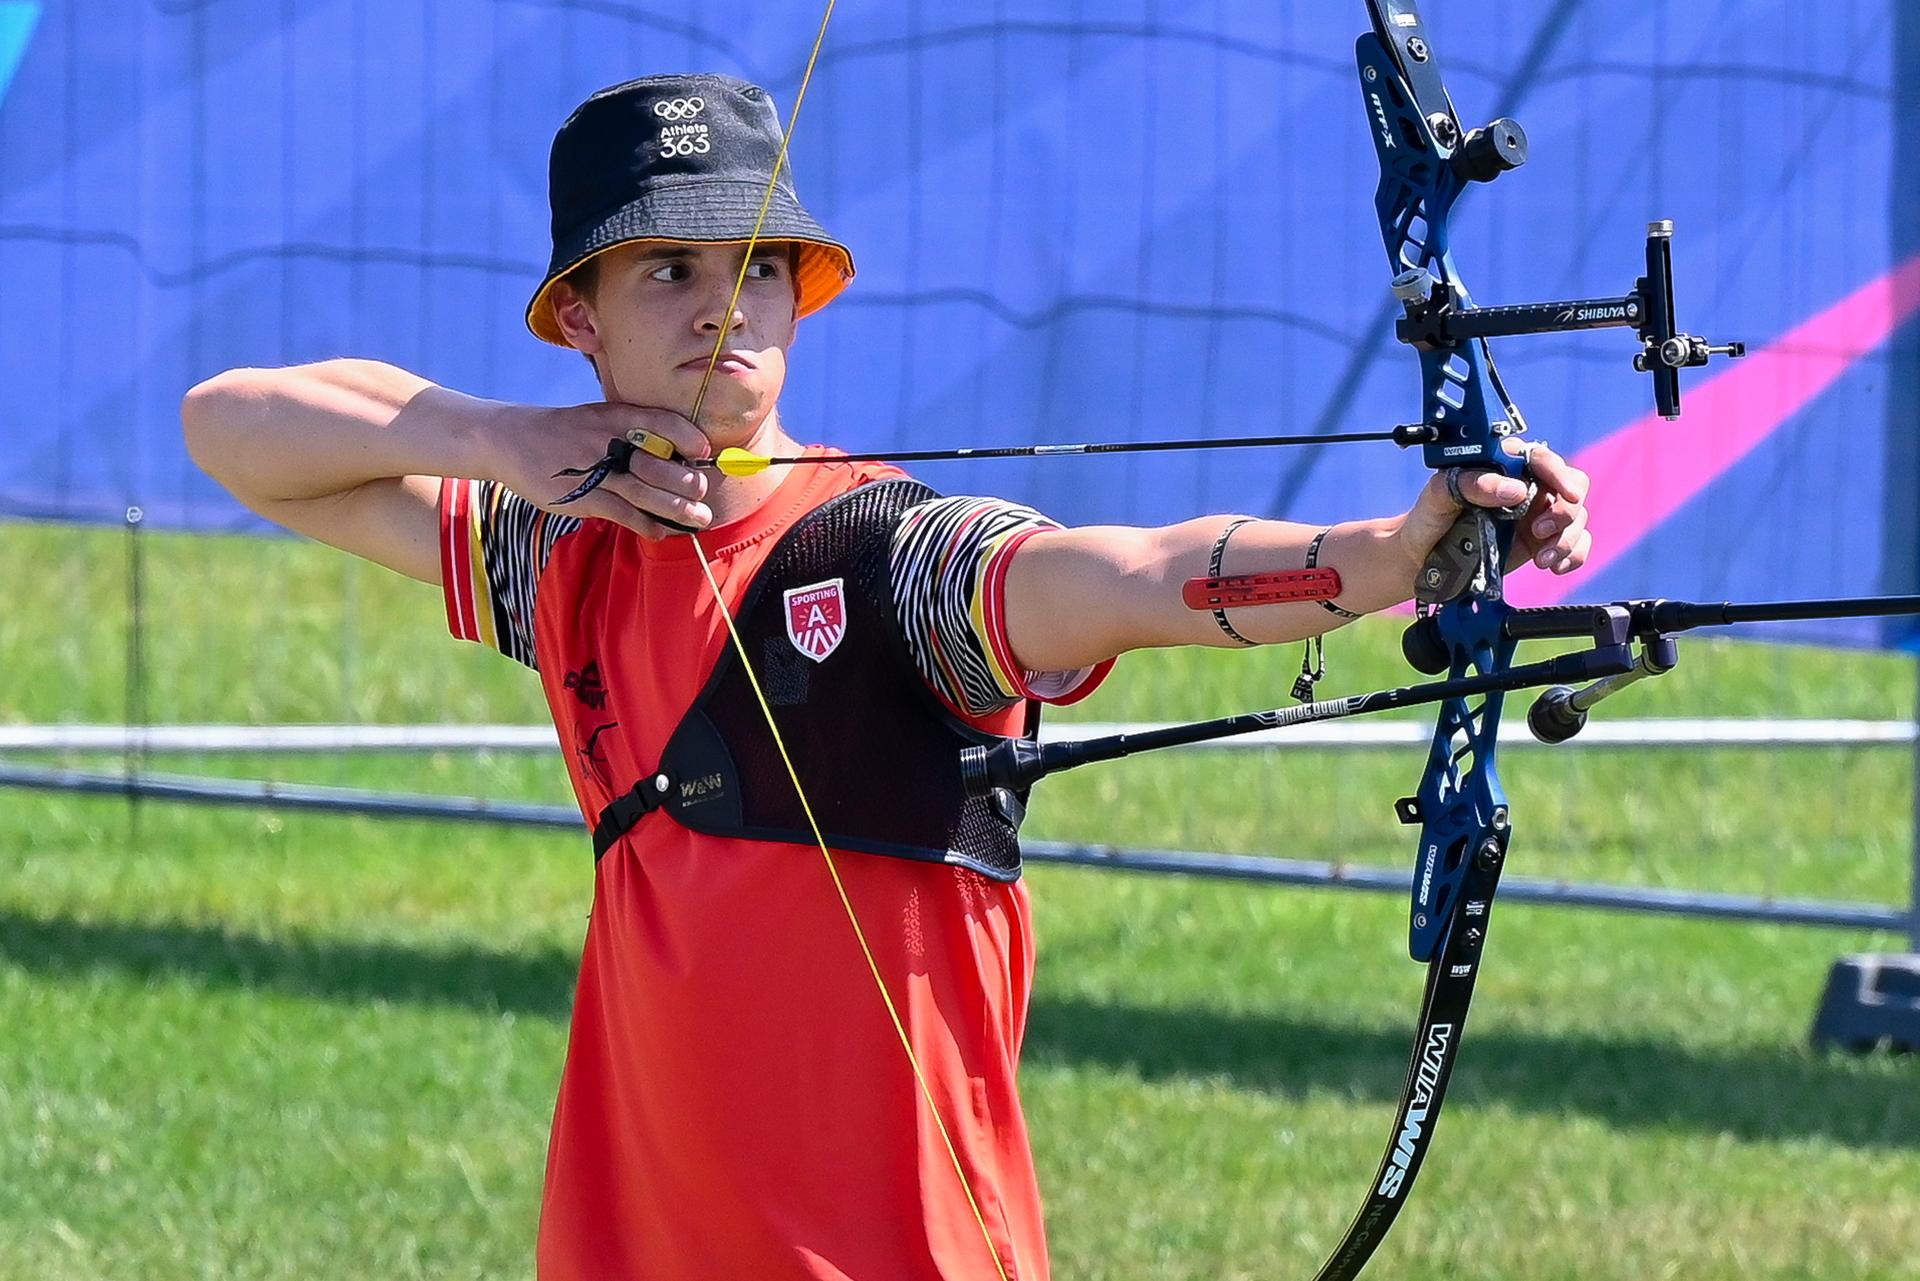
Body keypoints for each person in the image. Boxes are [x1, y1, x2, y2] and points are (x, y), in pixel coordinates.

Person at [180, 73, 1590, 1281]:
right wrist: (494, 436)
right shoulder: (562, 556)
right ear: (582, 323)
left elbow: (1133, 573)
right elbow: (232, 429)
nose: (720, 306)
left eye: (757, 269)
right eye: (666, 268)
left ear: (801, 304)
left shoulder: (898, 559)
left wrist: (1387, 554)